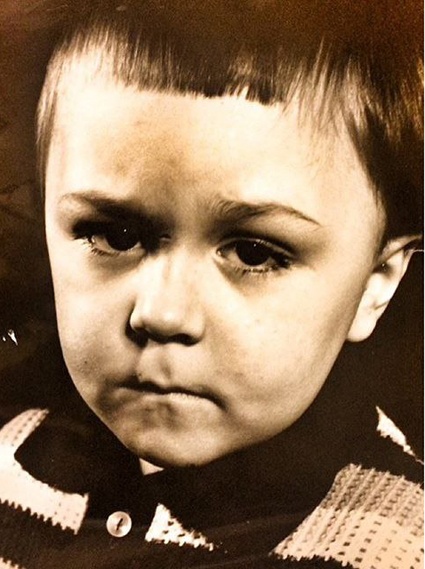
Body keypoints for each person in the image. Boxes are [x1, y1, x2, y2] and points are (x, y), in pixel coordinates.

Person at [0, 1, 422, 567]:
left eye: (253, 252)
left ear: (377, 282)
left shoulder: (398, 545)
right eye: (116, 236)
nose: (162, 313)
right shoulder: (11, 455)